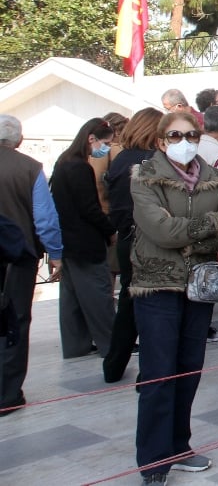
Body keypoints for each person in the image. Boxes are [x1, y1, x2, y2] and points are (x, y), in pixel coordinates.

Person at [130, 110, 218, 481]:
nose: (184, 142)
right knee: (159, 373)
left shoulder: (214, 178)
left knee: (189, 369)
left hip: (198, 286)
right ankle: (154, 460)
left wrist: (204, 230)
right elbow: (160, 230)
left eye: (191, 135)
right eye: (175, 136)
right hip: (158, 285)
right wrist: (209, 226)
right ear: (162, 141)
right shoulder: (145, 177)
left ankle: (179, 445)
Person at [0, 115, 63, 415]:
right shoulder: (29, 168)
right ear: (18, 140)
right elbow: (44, 219)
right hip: (18, 257)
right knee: (15, 321)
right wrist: (56, 253)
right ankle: (8, 393)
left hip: (16, 255)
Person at [102, 108, 162, 383]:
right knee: (153, 310)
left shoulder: (119, 159)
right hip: (149, 240)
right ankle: (147, 375)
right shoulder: (155, 161)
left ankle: (113, 366)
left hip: (126, 239)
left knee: (128, 303)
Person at [50, 118, 118, 359]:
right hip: (86, 243)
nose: (107, 147)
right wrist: (109, 230)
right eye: (106, 142)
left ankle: (75, 346)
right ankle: (110, 346)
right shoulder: (80, 167)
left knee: (71, 299)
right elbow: (90, 208)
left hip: (67, 241)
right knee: (99, 297)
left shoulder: (63, 162)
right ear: (92, 138)